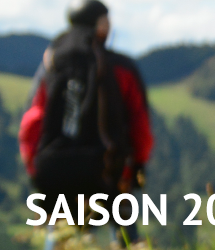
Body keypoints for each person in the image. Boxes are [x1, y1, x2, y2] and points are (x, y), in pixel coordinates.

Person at [18, 0, 153, 248]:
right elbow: (140, 125)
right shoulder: (122, 68)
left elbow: (32, 123)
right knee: (127, 237)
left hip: (57, 170)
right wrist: (137, 168)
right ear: (101, 26)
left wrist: (35, 166)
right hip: (110, 170)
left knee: (61, 238)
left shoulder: (52, 64)